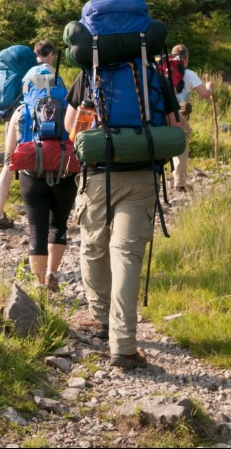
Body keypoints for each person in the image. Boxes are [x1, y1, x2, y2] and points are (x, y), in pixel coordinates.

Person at [63, 64, 182, 369]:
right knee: (127, 256)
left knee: (93, 245)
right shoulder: (154, 76)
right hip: (142, 176)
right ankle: (125, 346)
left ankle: (101, 318)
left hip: (98, 178)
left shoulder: (89, 76)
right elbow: (176, 129)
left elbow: (71, 128)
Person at [4, 65, 77, 290]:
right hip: (65, 172)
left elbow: (10, 152)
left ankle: (39, 284)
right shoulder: (70, 108)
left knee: (37, 230)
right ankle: (53, 274)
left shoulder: (21, 111)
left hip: (31, 176)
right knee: (59, 225)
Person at [0, 40, 57, 230]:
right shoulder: (45, 72)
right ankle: (44, 213)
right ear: (51, 54)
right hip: (33, 122)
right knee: (43, 163)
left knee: (8, 165)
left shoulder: (26, 72)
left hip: (13, 118)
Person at [168, 44, 214, 193]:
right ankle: (179, 182)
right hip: (177, 115)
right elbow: (205, 95)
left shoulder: (161, 71)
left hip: (158, 112)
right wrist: (210, 86)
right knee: (182, 141)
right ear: (186, 59)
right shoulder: (189, 74)